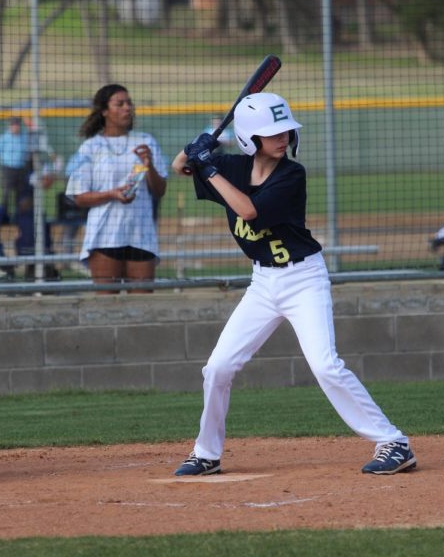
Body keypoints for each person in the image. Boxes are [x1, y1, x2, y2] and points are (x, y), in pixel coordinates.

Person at [170, 92, 415, 476]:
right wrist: (197, 148)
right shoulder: (231, 167)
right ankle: (206, 452)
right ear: (250, 138)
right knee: (217, 367)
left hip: (304, 279)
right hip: (263, 283)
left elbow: (248, 211)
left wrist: (209, 166)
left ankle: (393, 443)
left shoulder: (291, 175)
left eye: (285, 129)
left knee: (325, 366)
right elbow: (179, 167)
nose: (282, 137)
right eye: (272, 131)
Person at [64, 84, 168, 293]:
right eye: (119, 104)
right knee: (106, 306)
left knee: (142, 306)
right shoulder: (91, 147)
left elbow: (160, 190)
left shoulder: (146, 141)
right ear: (104, 111)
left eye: (129, 103)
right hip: (105, 235)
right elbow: (79, 197)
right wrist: (112, 194)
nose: (127, 108)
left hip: (141, 233)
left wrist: (149, 166)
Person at [0, 116, 31, 220]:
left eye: (17, 124)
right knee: (6, 193)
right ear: (10, 126)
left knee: (20, 194)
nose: (15, 127)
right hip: (8, 168)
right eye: (13, 125)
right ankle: (4, 216)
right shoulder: (4, 137)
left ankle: (18, 216)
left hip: (21, 169)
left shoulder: (25, 136)